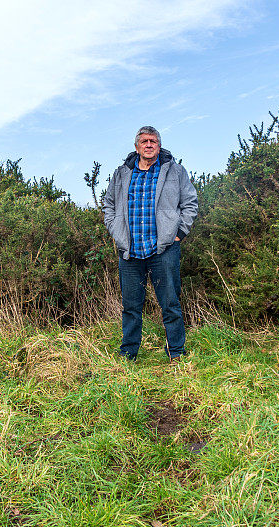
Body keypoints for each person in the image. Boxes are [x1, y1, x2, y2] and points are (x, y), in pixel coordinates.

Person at [102, 126, 198, 363]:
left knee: (170, 303)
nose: (148, 145)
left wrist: (179, 233)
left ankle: (176, 353)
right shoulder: (122, 173)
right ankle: (128, 355)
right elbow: (109, 206)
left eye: (153, 141)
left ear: (159, 145)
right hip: (131, 252)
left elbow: (190, 203)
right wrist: (117, 232)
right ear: (137, 146)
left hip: (163, 249)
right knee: (131, 308)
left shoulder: (175, 171)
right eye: (144, 141)